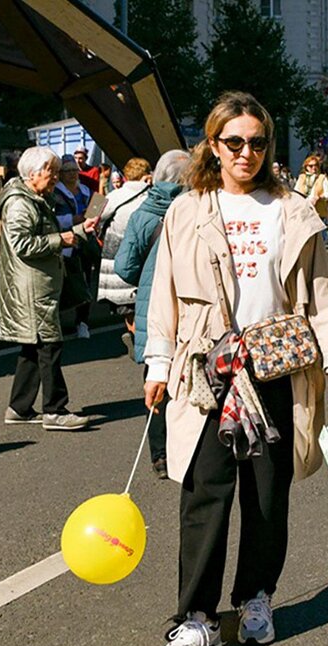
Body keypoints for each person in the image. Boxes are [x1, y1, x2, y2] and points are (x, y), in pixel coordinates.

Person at [146, 91, 328, 646]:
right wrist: (158, 362)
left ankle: (256, 597)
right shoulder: (186, 209)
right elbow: (161, 293)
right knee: (204, 494)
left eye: (257, 142)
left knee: (267, 494)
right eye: (233, 142)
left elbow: (321, 298)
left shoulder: (292, 211)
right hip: (206, 370)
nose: (246, 152)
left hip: (274, 367)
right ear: (213, 145)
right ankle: (196, 619)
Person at [0, 146, 96, 431]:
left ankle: (19, 407)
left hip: (35, 284)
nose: (56, 177)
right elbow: (22, 245)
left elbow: (43, 237)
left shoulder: (34, 197)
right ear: (32, 174)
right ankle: (54, 410)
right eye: (51, 171)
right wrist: (61, 241)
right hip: (32, 286)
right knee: (49, 345)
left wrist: (77, 232)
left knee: (34, 346)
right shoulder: (21, 203)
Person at [114, 149, 191, 479]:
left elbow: (124, 268)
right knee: (189, 383)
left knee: (156, 382)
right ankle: (185, 451)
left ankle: (160, 457)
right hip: (190, 306)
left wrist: (148, 277)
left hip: (151, 310)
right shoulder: (196, 209)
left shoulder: (143, 212)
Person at [97, 156, 152, 344]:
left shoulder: (114, 195)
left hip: (118, 254)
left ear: (126, 175)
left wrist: (101, 187)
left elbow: (90, 215)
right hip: (147, 254)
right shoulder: (152, 196)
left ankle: (134, 335)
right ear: (147, 175)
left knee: (127, 305)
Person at [54, 155, 98, 338]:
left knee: (85, 282)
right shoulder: (55, 193)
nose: (72, 174)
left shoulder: (86, 190)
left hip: (84, 242)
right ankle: (56, 323)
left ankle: (82, 322)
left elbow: (97, 209)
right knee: (62, 285)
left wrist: (94, 216)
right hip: (65, 243)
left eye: (74, 170)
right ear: (61, 174)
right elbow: (53, 219)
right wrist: (73, 219)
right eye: (67, 171)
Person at [293, 154, 328, 224]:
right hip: (304, 210)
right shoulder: (302, 177)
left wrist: (319, 197)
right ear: (306, 167)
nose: (314, 168)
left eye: (316, 165)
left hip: (318, 211)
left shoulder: (322, 177)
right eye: (311, 166)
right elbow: (296, 192)